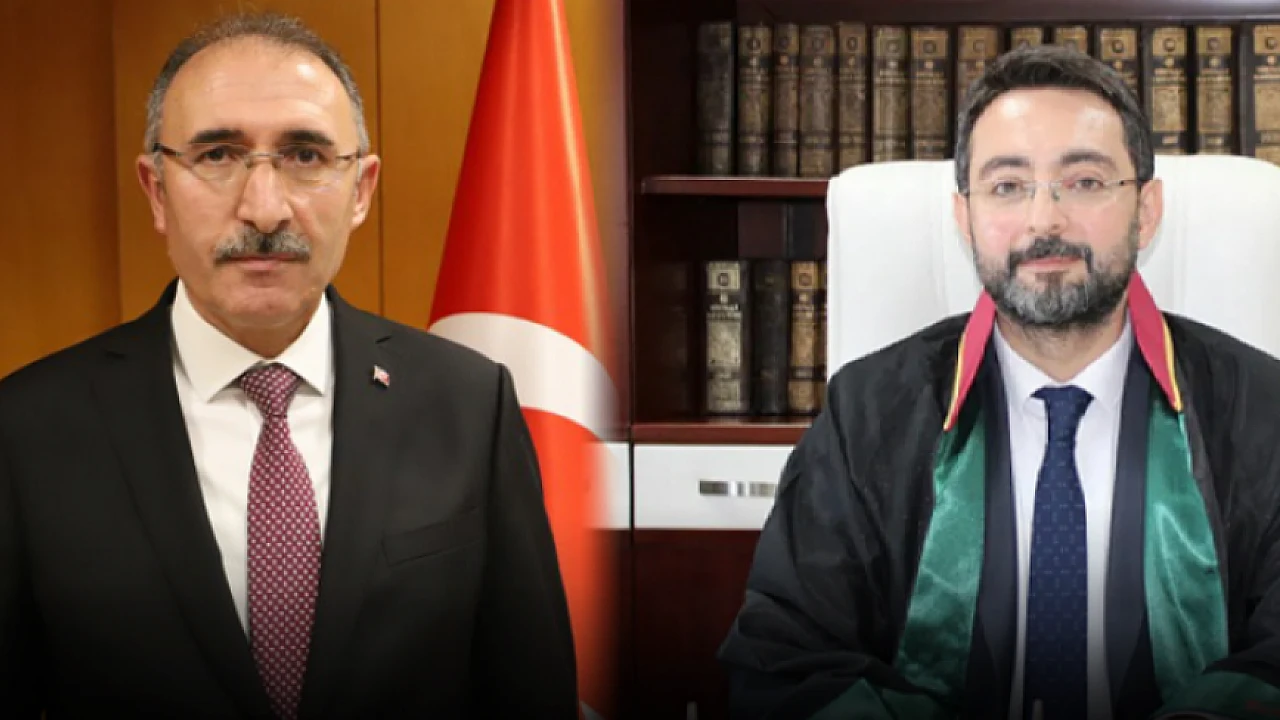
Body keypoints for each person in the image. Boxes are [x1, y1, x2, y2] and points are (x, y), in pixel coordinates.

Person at [0, 12, 578, 719]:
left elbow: (529, 690)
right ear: (156, 191)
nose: (264, 209)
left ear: (361, 189)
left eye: (305, 155)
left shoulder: (468, 403)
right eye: (217, 155)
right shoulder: (25, 429)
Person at [718, 44, 1280, 720]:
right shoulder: (866, 416)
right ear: (965, 218)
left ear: (1147, 210)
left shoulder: (1262, 414)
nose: (1045, 221)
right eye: (1008, 186)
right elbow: (785, 656)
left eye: (1085, 181)